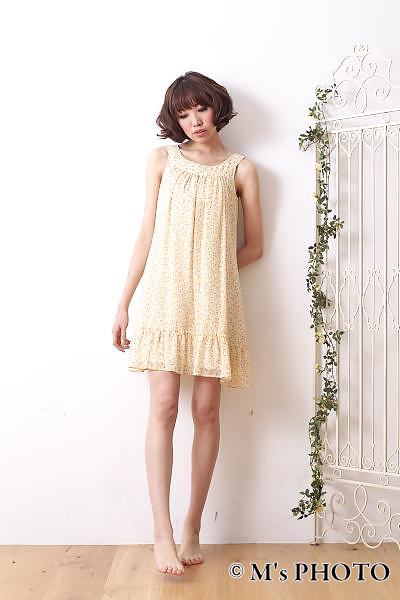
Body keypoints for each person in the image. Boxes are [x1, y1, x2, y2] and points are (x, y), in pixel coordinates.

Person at [112, 71, 263, 577]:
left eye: (201, 109)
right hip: (164, 299)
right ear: (174, 119)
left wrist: (211, 270)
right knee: (162, 407)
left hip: (214, 303)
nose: (195, 121)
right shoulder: (162, 160)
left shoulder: (242, 169)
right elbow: (146, 234)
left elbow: (255, 247)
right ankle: (162, 533)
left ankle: (192, 524)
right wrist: (123, 303)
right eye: (183, 113)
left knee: (206, 411)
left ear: (217, 107)